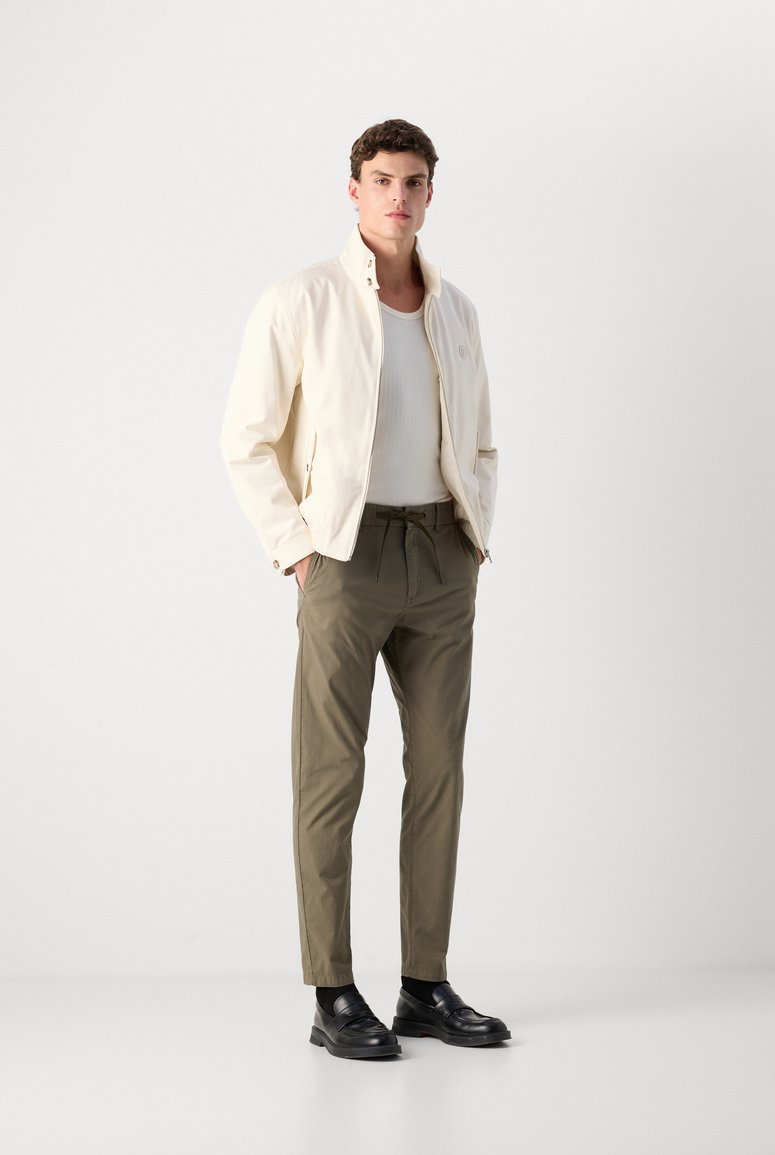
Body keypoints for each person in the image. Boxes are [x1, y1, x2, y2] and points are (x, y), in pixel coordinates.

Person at [220, 118, 510, 1058]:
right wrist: (299, 550)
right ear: (354, 190)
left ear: (432, 193)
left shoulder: (456, 310)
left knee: (440, 772)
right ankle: (333, 991)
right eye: (382, 179)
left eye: (414, 181)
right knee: (331, 774)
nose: (399, 196)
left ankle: (425, 983)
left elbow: (481, 440)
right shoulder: (302, 299)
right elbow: (246, 440)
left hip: (441, 555)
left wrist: (472, 533)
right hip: (344, 557)